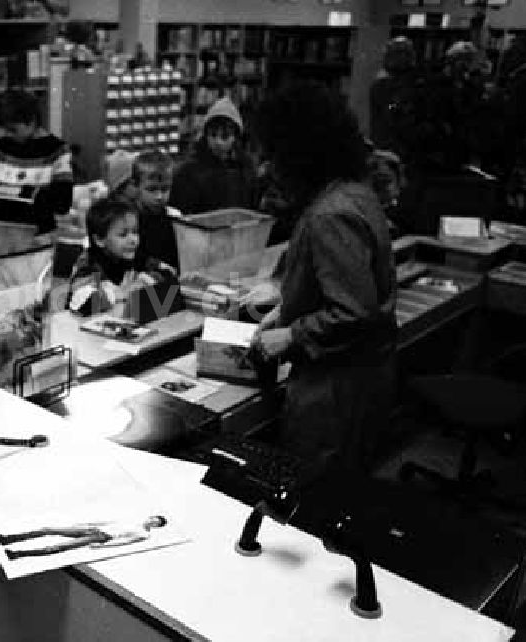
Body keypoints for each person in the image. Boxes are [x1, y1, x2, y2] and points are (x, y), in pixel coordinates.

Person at [250, 82, 398, 479]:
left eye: (274, 156)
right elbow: (341, 282)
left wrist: (290, 335)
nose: (269, 168)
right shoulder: (353, 193)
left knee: (313, 491)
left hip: (335, 386)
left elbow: (353, 310)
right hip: (359, 376)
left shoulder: (328, 216)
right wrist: (286, 309)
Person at [67, 197, 176, 317]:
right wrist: (120, 292)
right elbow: (83, 302)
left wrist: (147, 280)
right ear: (99, 240)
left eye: (135, 232)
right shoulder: (89, 264)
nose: (133, 240)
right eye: (123, 235)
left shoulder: (136, 257)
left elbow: (169, 273)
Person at [0, 88, 74, 235]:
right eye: (4, 129)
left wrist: (31, 193)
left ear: (31, 121)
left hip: (39, 230)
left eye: (13, 129)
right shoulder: (2, 147)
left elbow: (62, 203)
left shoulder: (56, 150)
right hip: (3, 228)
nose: (7, 134)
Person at [169, 97, 258, 215]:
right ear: (205, 136)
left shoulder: (246, 167)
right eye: (213, 135)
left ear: (235, 137)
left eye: (225, 136)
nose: (218, 142)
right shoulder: (188, 171)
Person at [0, 515, 167, 559]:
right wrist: (85, 523)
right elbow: (109, 520)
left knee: (58, 548)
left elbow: (125, 542)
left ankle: (17, 554)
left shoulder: (144, 535)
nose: (153, 522)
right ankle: (8, 539)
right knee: (48, 529)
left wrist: (103, 546)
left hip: (101, 537)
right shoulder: (134, 518)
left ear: (156, 527)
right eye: (154, 519)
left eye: (156, 523)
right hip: (92, 528)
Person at [131, 150, 182, 275]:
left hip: (170, 283)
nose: (159, 196)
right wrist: (155, 265)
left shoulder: (174, 217)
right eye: (152, 189)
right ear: (135, 186)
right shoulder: (127, 220)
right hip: (139, 285)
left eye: (165, 189)